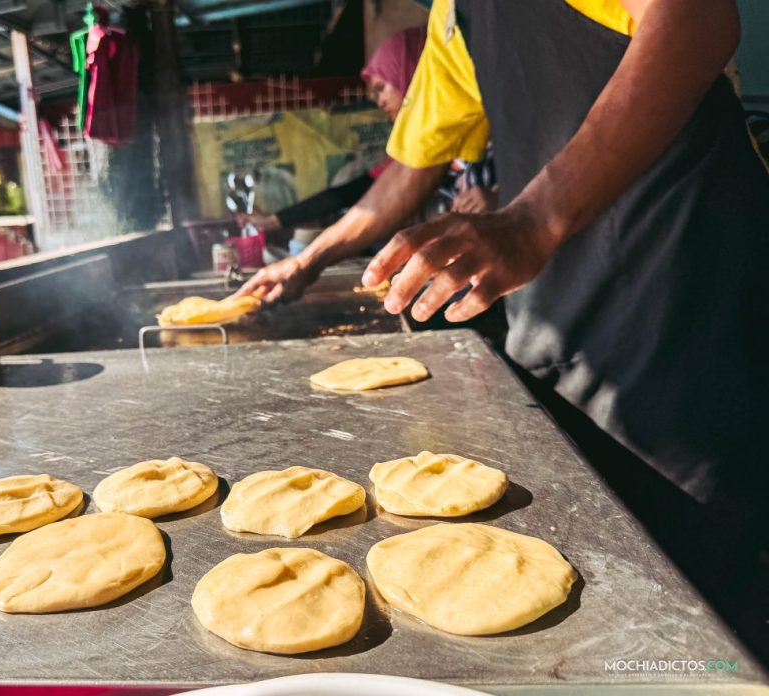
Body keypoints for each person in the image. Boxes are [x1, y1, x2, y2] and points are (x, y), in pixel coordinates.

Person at [238, 0, 769, 660]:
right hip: (564, 316)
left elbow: (695, 19)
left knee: (692, 609)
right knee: (589, 597)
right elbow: (410, 167)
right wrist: (307, 260)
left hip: (689, 300)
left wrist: (533, 218)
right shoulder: (458, 14)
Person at [239, 26, 494, 239]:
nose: (379, 101)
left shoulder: (476, 119)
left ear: (412, 73)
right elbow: (353, 191)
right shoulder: (422, 144)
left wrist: (498, 199)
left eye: (382, 87)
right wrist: (275, 221)